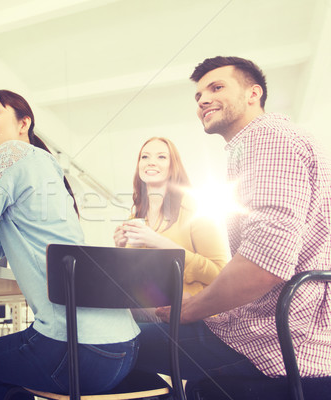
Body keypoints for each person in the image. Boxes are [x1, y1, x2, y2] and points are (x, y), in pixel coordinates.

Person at [132, 56, 331, 392]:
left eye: (217, 87)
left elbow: (264, 265)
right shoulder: (257, 146)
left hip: (272, 336)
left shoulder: (268, 139)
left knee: (104, 345)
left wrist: (188, 311)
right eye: (198, 96)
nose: (203, 100)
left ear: (254, 93)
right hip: (281, 327)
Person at [0, 90, 139, 400]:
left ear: (24, 123)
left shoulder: (8, 155)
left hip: (80, 351)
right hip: (126, 347)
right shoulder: (48, 170)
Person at [113, 137, 228, 298]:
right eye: (144, 157)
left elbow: (220, 273)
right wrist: (120, 249)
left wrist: (160, 243)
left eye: (161, 156)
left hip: (188, 315)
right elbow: (131, 278)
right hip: (146, 313)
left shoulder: (194, 209)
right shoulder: (135, 217)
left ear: (173, 166)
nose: (151, 162)